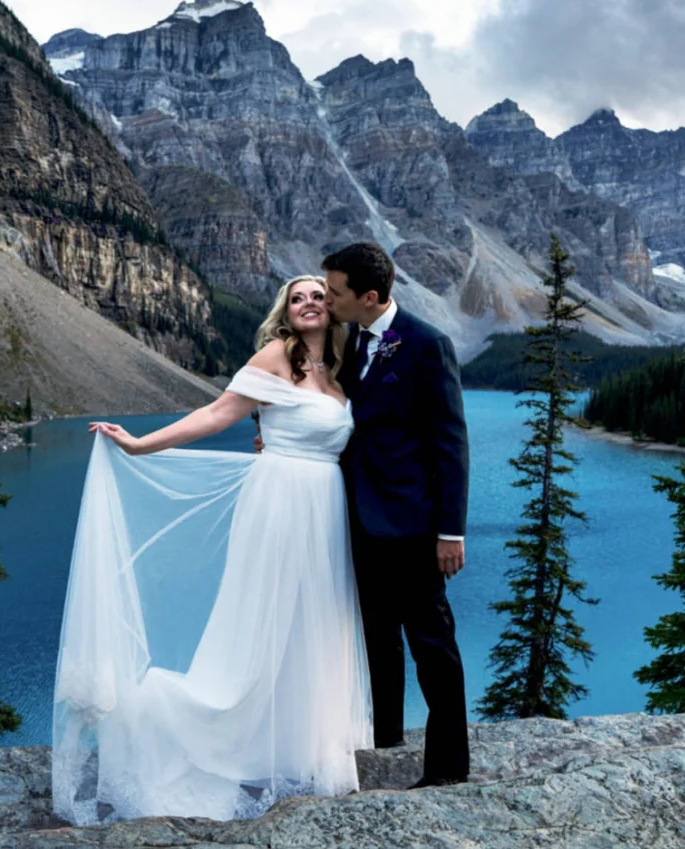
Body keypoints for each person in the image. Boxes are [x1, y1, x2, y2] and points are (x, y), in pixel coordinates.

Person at [50, 276, 371, 825]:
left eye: (319, 294)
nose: (310, 302)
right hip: (279, 504)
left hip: (324, 508)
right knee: (262, 622)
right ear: (285, 313)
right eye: (298, 297)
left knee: (316, 624)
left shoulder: (342, 369)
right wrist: (139, 445)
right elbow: (216, 415)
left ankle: (301, 744)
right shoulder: (273, 357)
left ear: (335, 306)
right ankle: (201, 727)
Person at [320, 242, 471, 787]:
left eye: (336, 292)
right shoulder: (347, 338)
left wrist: (450, 532)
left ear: (370, 296)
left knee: (431, 646)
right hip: (358, 522)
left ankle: (449, 769)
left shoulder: (428, 344)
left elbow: (450, 443)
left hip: (413, 527)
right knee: (375, 638)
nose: (328, 300)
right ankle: (385, 743)